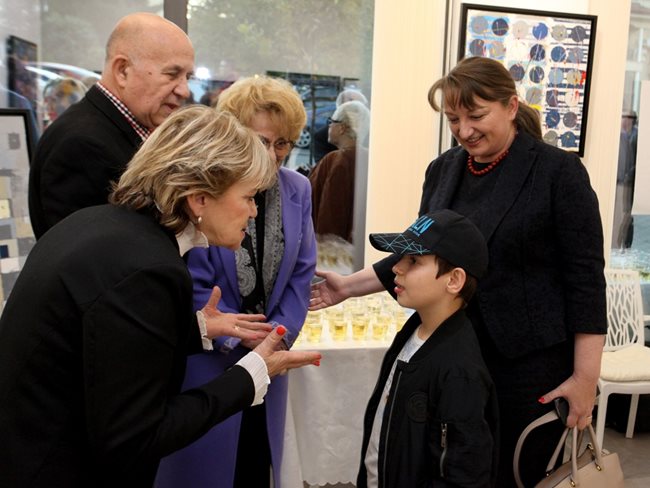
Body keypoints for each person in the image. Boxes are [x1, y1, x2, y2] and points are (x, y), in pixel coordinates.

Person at [310, 56, 607, 487]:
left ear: (510, 105)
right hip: (450, 354)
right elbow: (420, 253)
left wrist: (585, 378)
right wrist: (348, 287)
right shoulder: (444, 169)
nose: (464, 130)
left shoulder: (558, 173)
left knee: (510, 474)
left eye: (476, 115)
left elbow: (585, 282)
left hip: (527, 367)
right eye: (453, 119)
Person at [0, 105, 321, 487]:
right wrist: (251, 376)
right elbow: (136, 436)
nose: (253, 212)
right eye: (249, 196)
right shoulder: (150, 268)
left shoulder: (99, 225)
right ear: (199, 199)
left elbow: (104, 345)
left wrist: (196, 328)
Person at [157, 75, 316, 488]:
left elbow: (302, 274)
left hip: (269, 358)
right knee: (204, 471)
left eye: (282, 143)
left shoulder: (298, 188)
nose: (273, 154)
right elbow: (193, 278)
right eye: (261, 140)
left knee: (255, 464)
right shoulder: (206, 189)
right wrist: (235, 336)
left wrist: (276, 337)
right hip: (209, 359)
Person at [358, 209, 498, 488]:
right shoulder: (414, 330)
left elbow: (464, 475)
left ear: (454, 280)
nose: (397, 268)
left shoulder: (460, 372)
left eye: (413, 260)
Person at [28, 12, 194, 239]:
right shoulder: (80, 145)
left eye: (188, 77)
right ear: (122, 70)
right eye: (172, 74)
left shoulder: (118, 129)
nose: (184, 90)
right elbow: (87, 261)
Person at [309, 100, 370, 242]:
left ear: (342, 128)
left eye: (331, 121)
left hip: (332, 252)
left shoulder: (337, 160)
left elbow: (330, 215)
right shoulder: (369, 159)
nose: (329, 126)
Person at [312, 88, 369, 164]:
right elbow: (322, 169)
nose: (363, 112)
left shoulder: (373, 137)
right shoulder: (324, 136)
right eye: (355, 108)